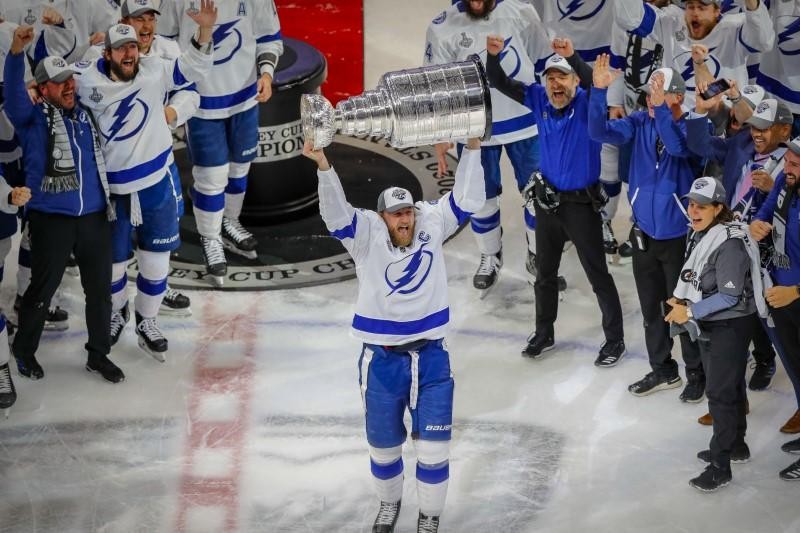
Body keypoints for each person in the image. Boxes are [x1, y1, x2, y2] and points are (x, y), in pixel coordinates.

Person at [302, 135, 485, 533]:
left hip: (432, 357)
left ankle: (429, 515)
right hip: (382, 360)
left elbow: (466, 201)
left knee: (434, 452)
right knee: (383, 449)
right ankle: (390, 504)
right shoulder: (365, 234)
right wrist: (323, 166)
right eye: (395, 214)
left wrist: (472, 148)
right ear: (382, 216)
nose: (404, 220)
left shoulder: (429, 222)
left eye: (408, 213)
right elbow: (336, 216)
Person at [72, 5, 216, 361]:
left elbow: (193, 70)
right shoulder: (87, 78)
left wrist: (206, 32)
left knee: (156, 262)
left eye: (132, 48)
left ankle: (147, 321)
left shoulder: (155, 70)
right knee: (114, 267)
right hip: (114, 191)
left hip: (155, 181)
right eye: (121, 48)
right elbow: (51, 82)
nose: (128, 54)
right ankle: (119, 311)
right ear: (107, 53)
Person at [485, 36, 626, 366]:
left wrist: (573, 56)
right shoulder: (538, 99)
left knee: (598, 276)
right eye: (550, 78)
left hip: (582, 208)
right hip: (548, 205)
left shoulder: (590, 103)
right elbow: (499, 81)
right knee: (544, 275)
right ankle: (543, 333)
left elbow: (594, 82)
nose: (555, 84)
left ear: (575, 81)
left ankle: (615, 340)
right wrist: (493, 57)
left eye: (562, 77)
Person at [3, 27, 123, 383]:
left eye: (70, 80)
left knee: (100, 293)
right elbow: (12, 95)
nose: (69, 86)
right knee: (41, 292)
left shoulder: (87, 117)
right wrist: (14, 55)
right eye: (59, 82)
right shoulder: (32, 119)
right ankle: (24, 352)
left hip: (95, 218)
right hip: (51, 219)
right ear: (42, 89)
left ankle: (98, 355)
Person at [588, 61, 706, 400]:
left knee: (680, 310)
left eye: (657, 92)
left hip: (678, 239)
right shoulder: (639, 122)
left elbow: (676, 148)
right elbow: (599, 132)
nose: (648, 99)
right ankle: (663, 369)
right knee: (652, 311)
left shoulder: (692, 128)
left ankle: (696, 373)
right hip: (643, 235)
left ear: (675, 97)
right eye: (648, 93)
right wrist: (598, 92)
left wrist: (661, 112)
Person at [424, 0, 550, 292]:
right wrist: (440, 133)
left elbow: (544, 62)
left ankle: (537, 254)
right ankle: (490, 255)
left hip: (526, 123)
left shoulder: (521, 12)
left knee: (539, 194)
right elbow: (436, 85)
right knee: (480, 199)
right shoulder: (442, 27)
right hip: (474, 128)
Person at [157, 0, 283, 287]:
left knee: (240, 168)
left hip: (245, 100)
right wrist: (179, 84)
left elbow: (268, 36)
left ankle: (230, 220)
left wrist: (266, 73)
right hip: (201, 105)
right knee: (212, 178)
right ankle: (210, 238)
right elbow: (162, 42)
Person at [687, 93, 792, 412]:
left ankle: (765, 360)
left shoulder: (792, 161)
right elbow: (699, 146)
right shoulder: (739, 144)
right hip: (731, 241)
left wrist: (771, 186)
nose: (757, 133)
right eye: (754, 126)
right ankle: (736, 383)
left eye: (765, 128)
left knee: (762, 311)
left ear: (784, 132)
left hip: (769, 249)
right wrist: (698, 112)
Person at [665, 176, 768, 492]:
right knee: (732, 384)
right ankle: (736, 443)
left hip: (730, 325)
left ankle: (720, 466)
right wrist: (685, 300)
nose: (693, 211)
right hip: (722, 322)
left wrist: (689, 311)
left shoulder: (729, 245)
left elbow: (729, 296)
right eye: (692, 204)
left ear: (719, 208)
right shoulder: (709, 233)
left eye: (702, 206)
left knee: (720, 393)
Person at [115, 0, 195, 318]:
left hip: (159, 161)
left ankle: (158, 285)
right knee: (117, 234)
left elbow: (191, 90)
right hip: (119, 165)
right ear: (123, 21)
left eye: (151, 18)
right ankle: (116, 304)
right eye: (138, 18)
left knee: (166, 222)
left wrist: (173, 111)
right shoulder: (107, 50)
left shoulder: (169, 49)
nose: (147, 25)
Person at [614, 0, 775, 108]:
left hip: (723, 126)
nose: (695, 13)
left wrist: (753, 4)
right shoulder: (671, 21)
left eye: (703, 7)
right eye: (691, 6)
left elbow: (763, 41)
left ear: (717, 11)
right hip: (678, 123)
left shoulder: (734, 28)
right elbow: (630, 19)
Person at [750, 136, 800, 479]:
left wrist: (795, 291)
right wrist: (757, 223)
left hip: (793, 294)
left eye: (796, 164)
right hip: (780, 294)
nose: (789, 168)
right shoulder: (785, 180)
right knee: (797, 371)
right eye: (790, 160)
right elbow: (765, 213)